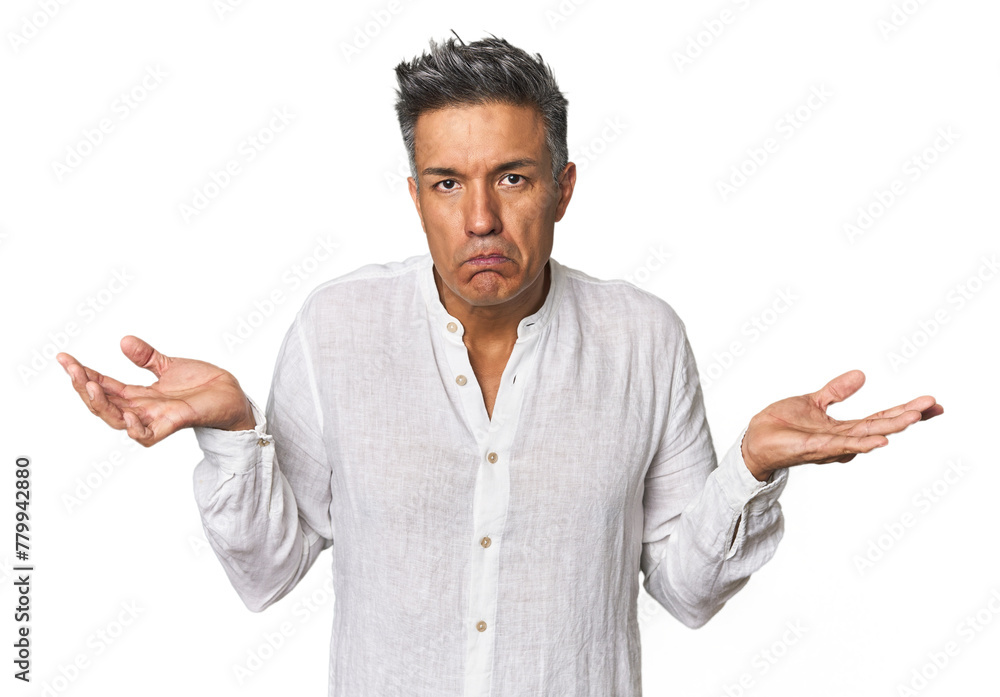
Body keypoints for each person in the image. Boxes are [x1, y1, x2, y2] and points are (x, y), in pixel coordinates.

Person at [56, 34, 943, 696]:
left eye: (512, 178)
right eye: (448, 183)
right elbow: (268, 570)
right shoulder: (336, 328)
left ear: (562, 188)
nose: (479, 218)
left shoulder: (644, 339)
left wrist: (748, 468)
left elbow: (686, 590)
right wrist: (230, 432)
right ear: (416, 197)